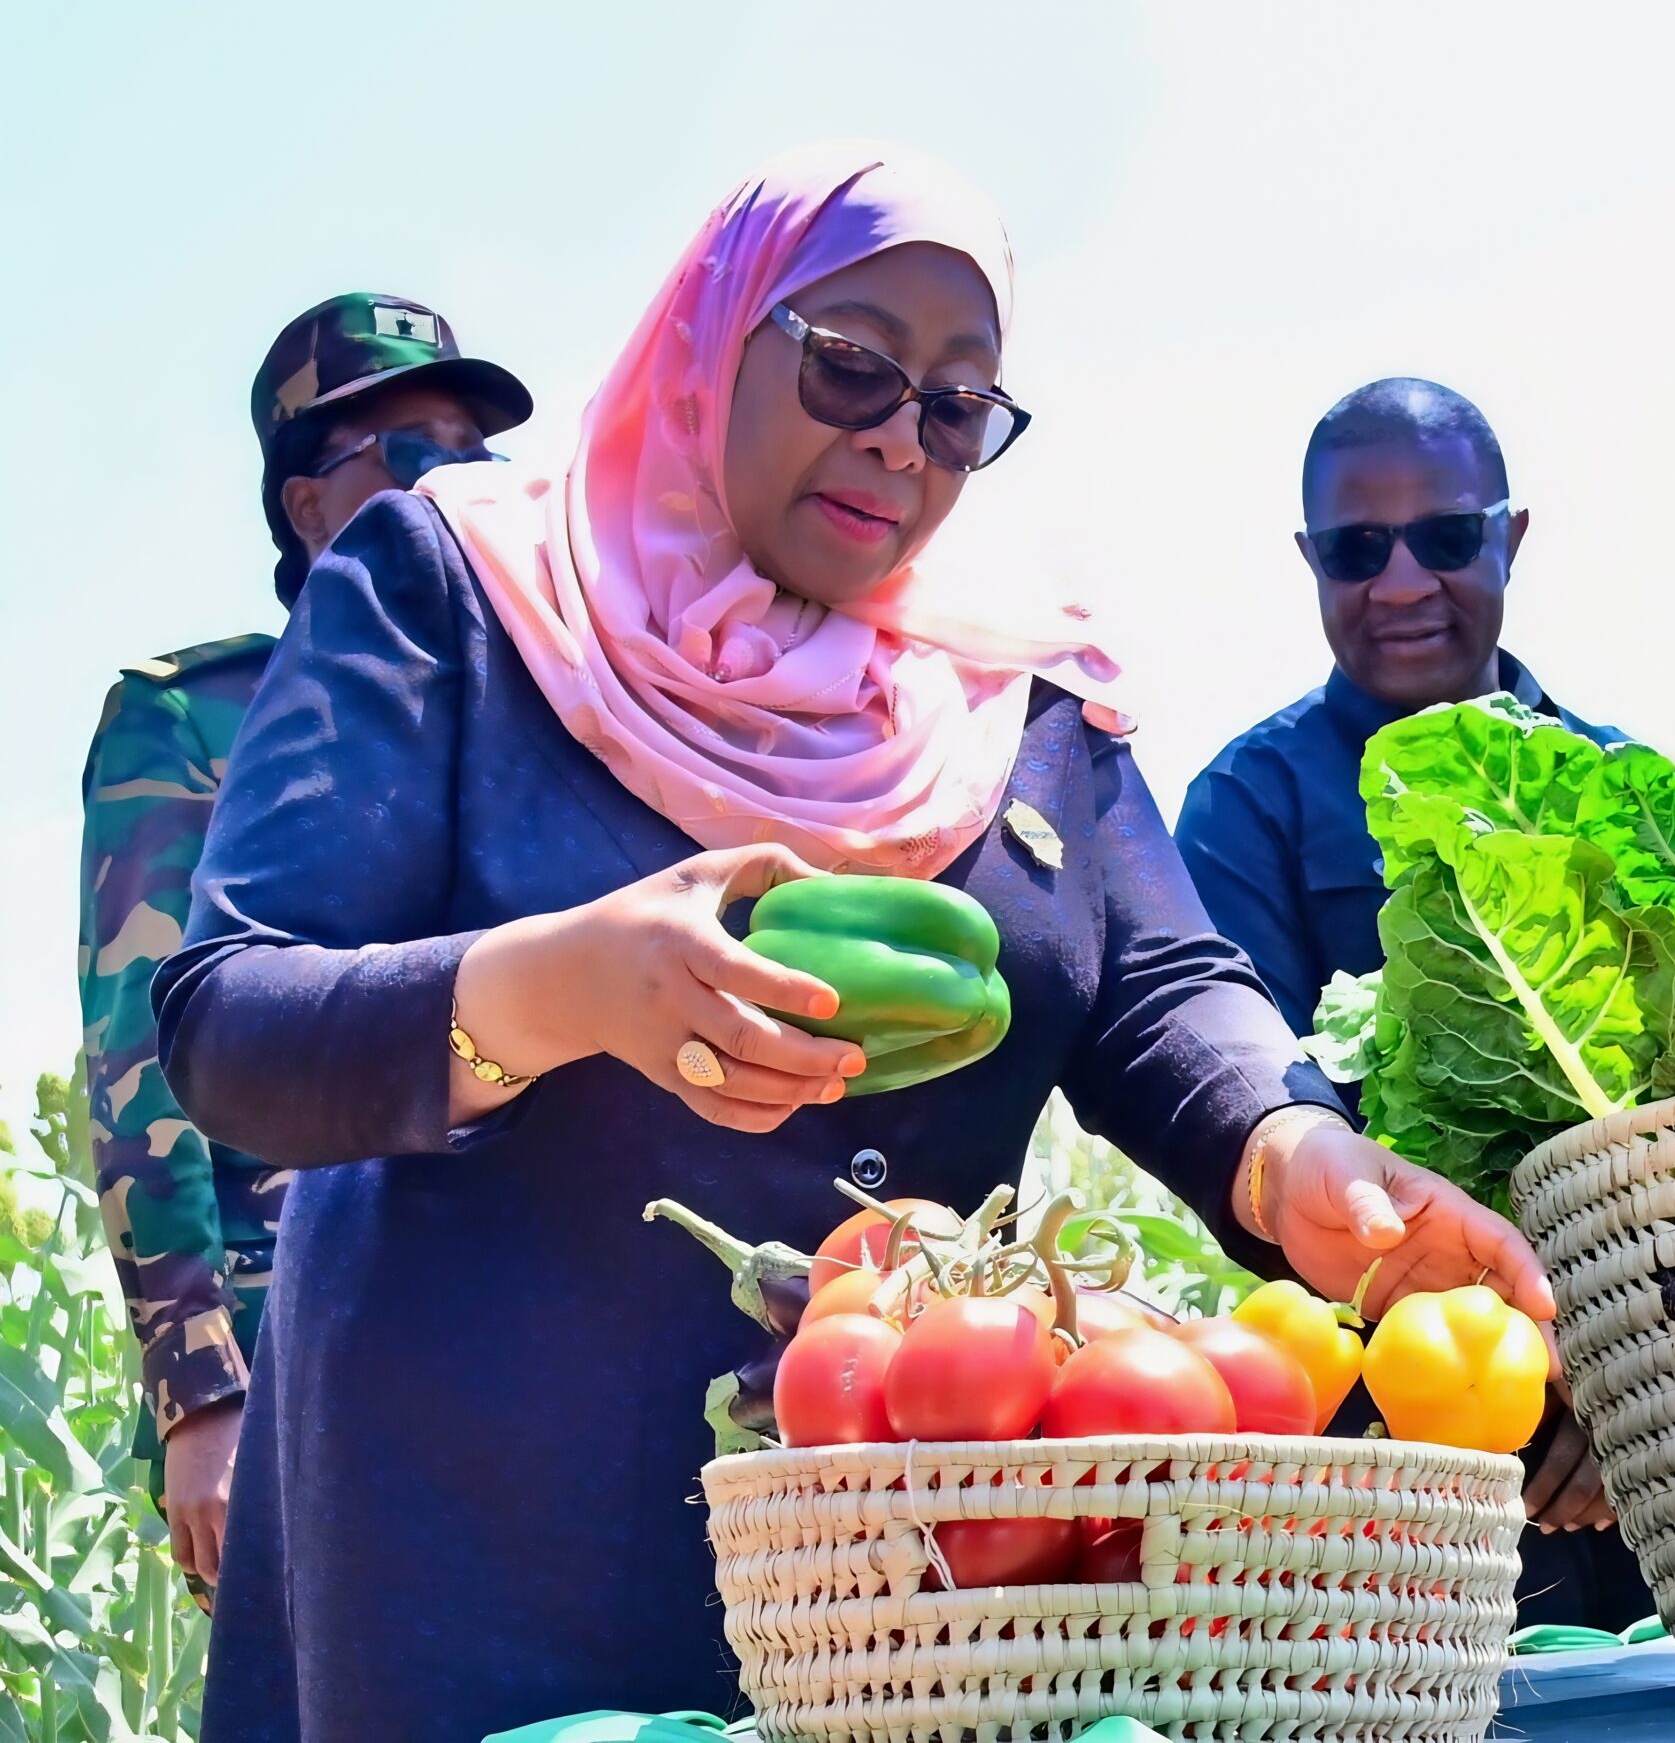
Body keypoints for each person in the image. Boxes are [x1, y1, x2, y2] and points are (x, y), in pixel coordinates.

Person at [154, 148, 1558, 1743]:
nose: (898, 434)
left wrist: (1286, 1149)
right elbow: (231, 1023)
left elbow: (1159, 988)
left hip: (914, 1569)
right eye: (850, 364)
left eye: (957, 405)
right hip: (479, 1550)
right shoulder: (457, 588)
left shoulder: (1011, 685)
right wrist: (557, 990)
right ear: (714, 335)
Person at [1176, 375, 1651, 1627]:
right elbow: (1262, 1132)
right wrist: (1504, 1370)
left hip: (1653, 1435)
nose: (1399, 583)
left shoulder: (1622, 786)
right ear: (1308, 562)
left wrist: (1621, 1389)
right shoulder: (1246, 805)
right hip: (1405, 1445)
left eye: (1445, 537)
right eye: (1354, 549)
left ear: (1511, 536)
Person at [78, 293, 530, 1604]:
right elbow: (138, 1045)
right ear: (305, 505)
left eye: (474, 449)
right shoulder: (201, 718)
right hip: (303, 1332)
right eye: (404, 448)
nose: (454, 481)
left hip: (521, 1320)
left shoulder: (564, 711)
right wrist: (199, 1390)